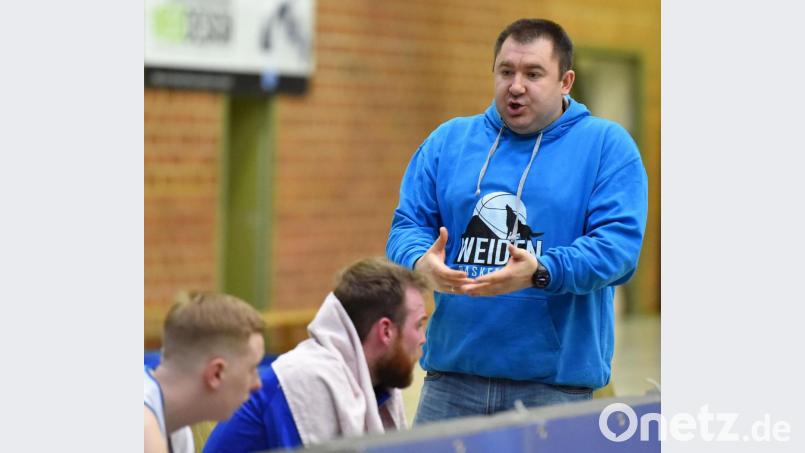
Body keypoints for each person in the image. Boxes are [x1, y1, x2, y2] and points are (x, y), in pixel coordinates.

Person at [386, 18, 648, 424]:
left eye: (533, 73)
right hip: (452, 382)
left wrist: (541, 271)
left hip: (556, 390)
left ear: (566, 81)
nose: (516, 86)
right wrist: (422, 263)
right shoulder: (448, 142)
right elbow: (407, 225)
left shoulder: (606, 147)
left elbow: (617, 250)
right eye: (506, 71)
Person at [203, 257, 429, 452]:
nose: (423, 338)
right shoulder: (305, 379)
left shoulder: (375, 384)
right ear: (386, 331)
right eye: (419, 325)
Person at [144, 291, 266, 453]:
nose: (257, 384)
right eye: (251, 369)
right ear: (216, 373)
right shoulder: (145, 429)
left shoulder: (178, 430)